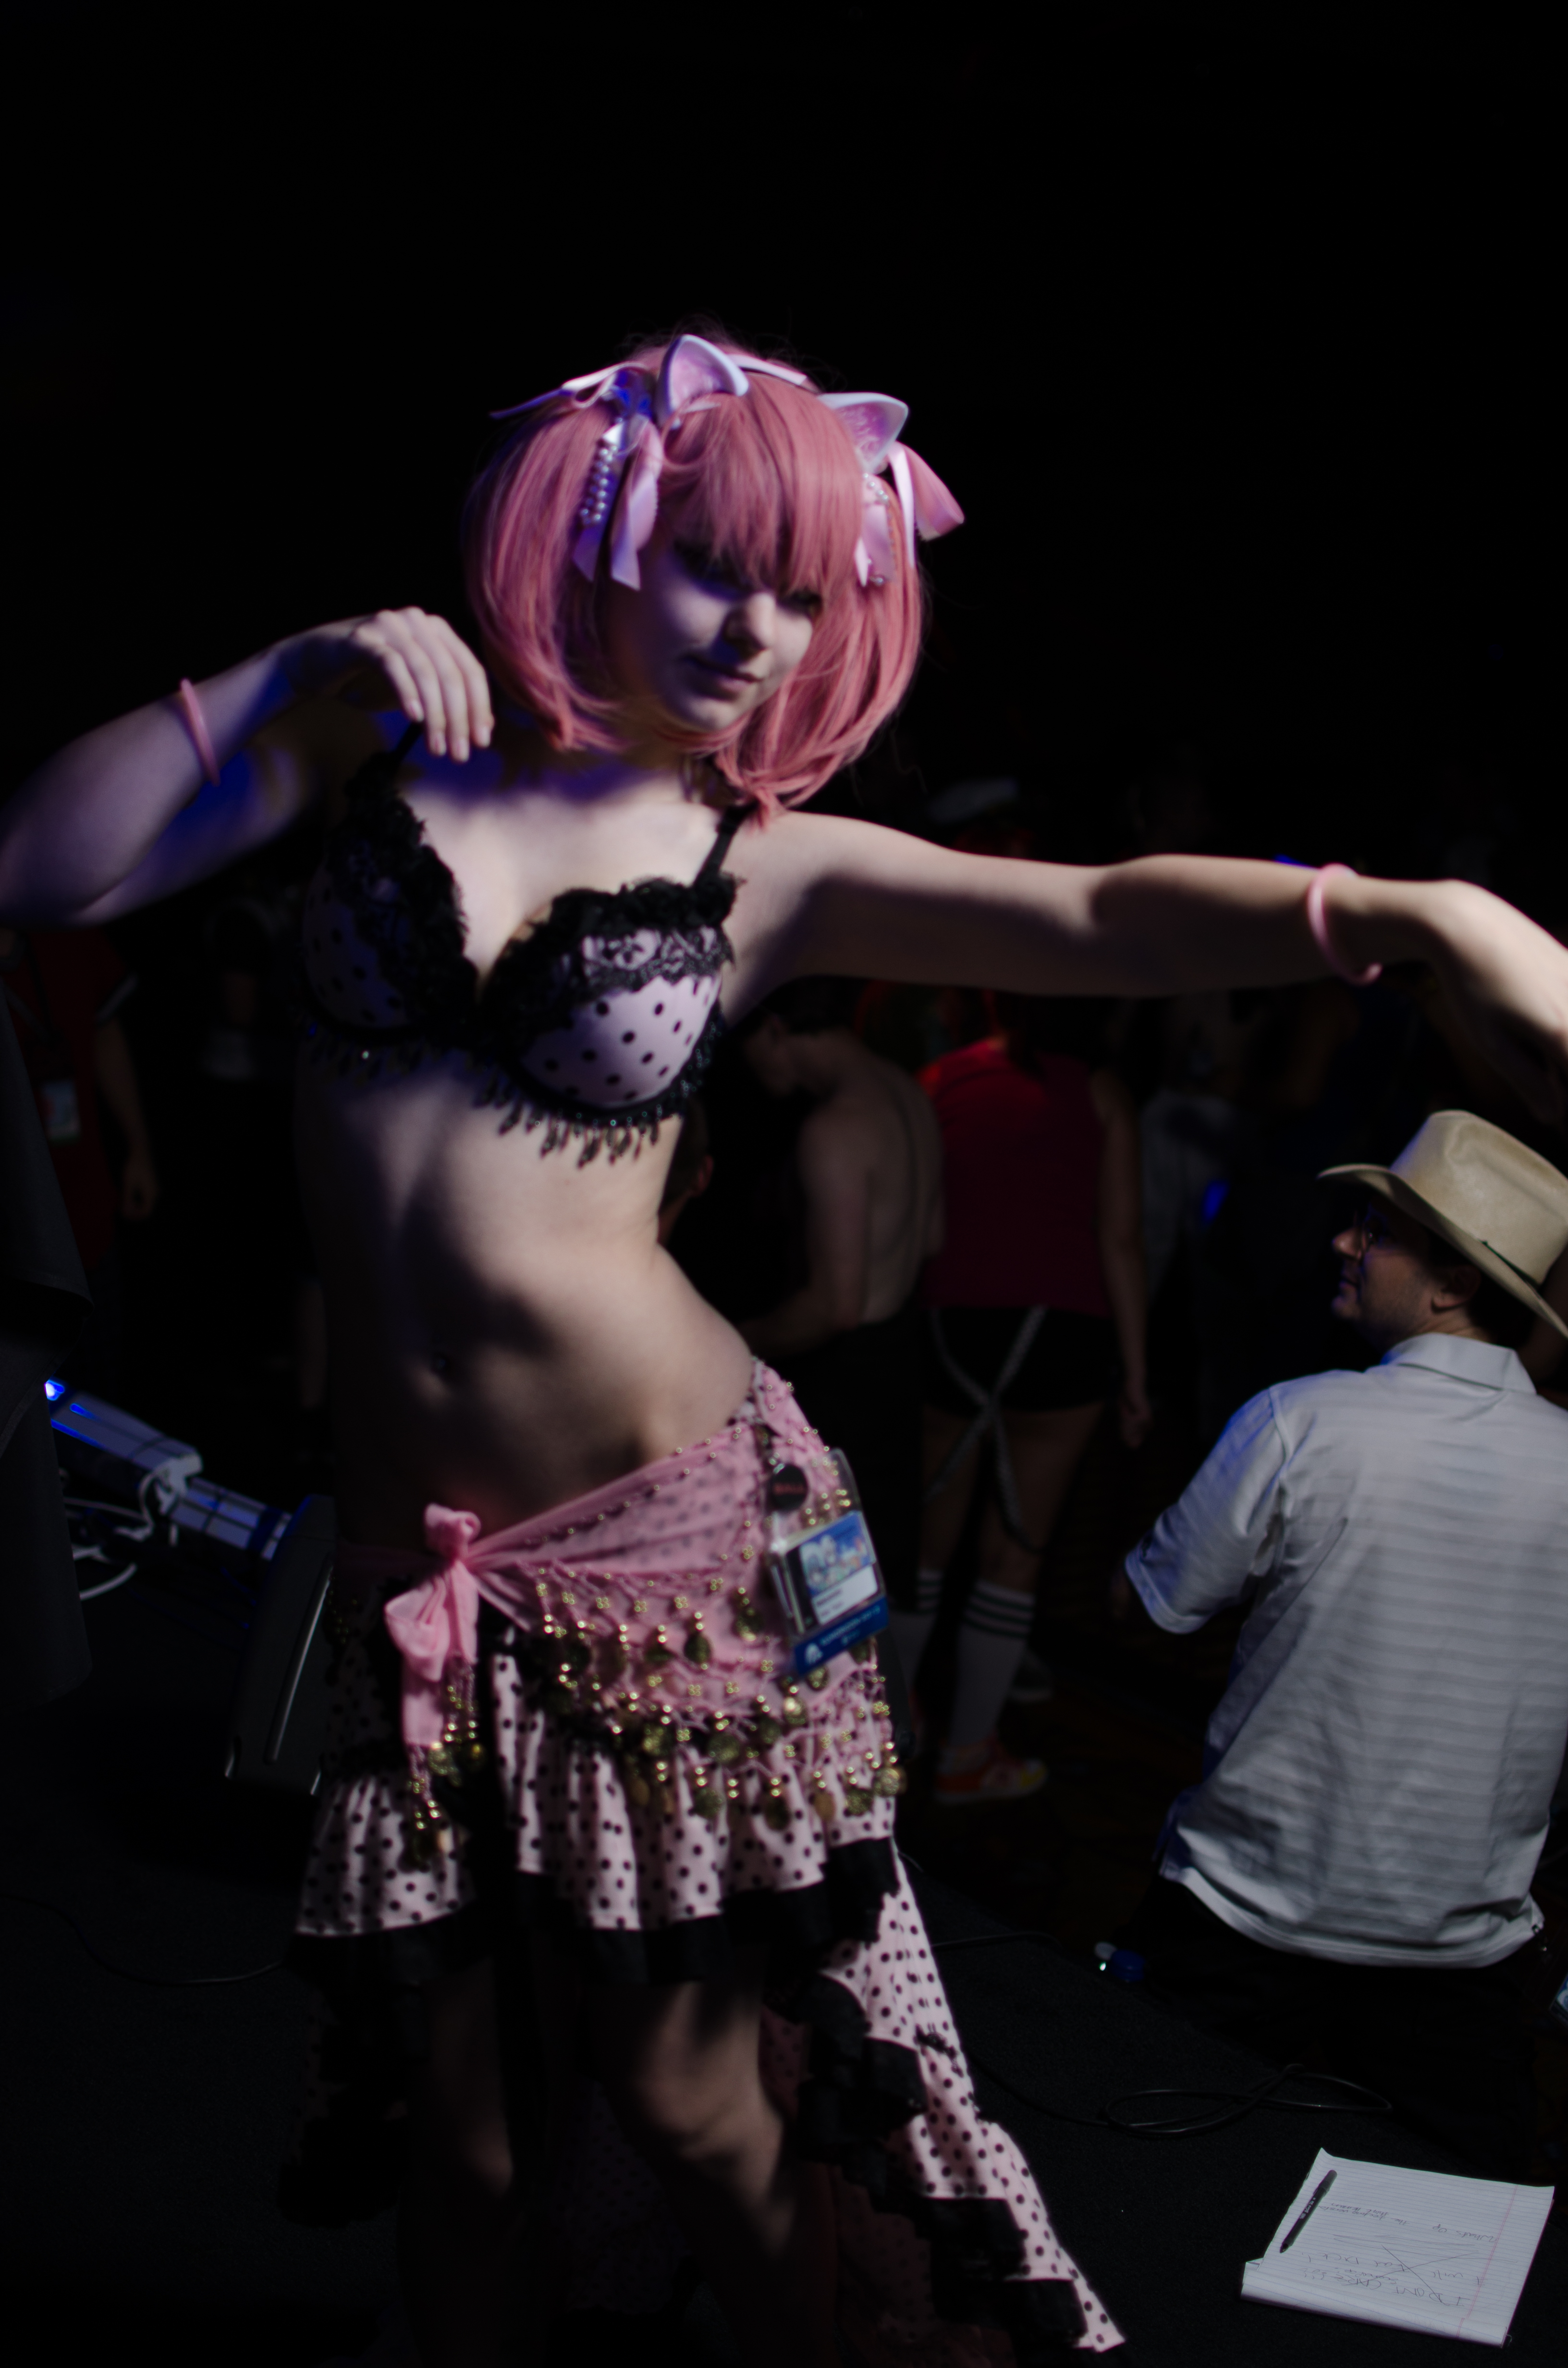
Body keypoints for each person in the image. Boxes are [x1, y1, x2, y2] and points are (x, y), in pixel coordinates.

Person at [5, 329, 1568, 2365]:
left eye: (811, 594)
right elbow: (43, 866)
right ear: (596, 528)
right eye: (721, 566)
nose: (762, 630)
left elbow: (1096, 918)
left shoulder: (764, 866)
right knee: (461, 2130)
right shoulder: (370, 754)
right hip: (419, 1560)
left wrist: (1406, 913)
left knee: (690, 2100)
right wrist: (287, 677)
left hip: (668, 1551)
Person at [1117, 1110, 1568, 2179]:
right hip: (1458, 1962)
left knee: (1136, 2185)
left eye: (1376, 1230)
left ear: (1452, 1285)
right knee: (1465, 2233)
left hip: (1240, 1923)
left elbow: (1153, 1609)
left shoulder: (1300, 1420)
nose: (1342, 1242)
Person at [901, 996, 1151, 1805]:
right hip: (1064, 1331)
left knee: (923, 1548)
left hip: (952, 1321)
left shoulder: (938, 1079)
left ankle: (885, 1737)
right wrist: (1137, 1373)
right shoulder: (1102, 1093)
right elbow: (1119, 1237)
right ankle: (966, 1754)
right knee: (1015, 1554)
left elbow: (918, 1220)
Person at [734, 977, 943, 1628]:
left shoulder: (833, 1128)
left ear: (775, 1028)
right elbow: (933, 1238)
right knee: (869, 1592)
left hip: (847, 1382)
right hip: (900, 1361)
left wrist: (732, 1341)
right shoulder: (910, 1092)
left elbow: (836, 1308)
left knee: (823, 1611)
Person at [0, 920, 159, 1394]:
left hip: (82, 1205)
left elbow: (106, 1032)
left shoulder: (66, 926)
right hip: (13, 1232)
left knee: (96, 1383)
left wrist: (138, 1148)